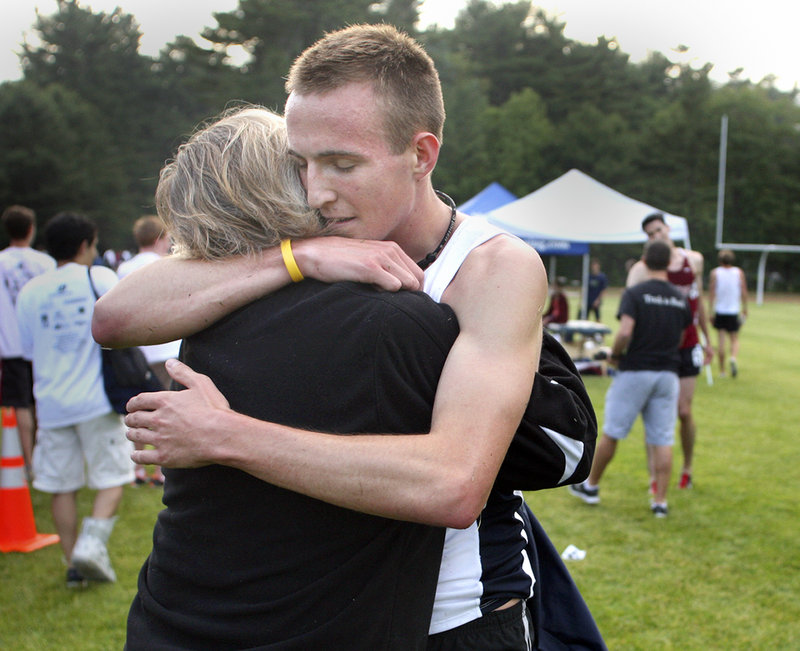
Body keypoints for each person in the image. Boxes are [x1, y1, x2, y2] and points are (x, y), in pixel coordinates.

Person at [96, 25, 602, 649]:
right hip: (340, 610)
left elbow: (453, 486)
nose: (315, 190)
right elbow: (115, 318)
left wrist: (224, 435)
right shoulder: (314, 227)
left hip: (457, 614)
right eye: (300, 163)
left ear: (421, 154)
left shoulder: (492, 269)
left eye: (343, 164)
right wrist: (299, 256)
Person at [124, 106, 462, 649]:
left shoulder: (199, 314)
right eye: (309, 164)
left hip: (171, 619)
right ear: (294, 186)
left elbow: (112, 318)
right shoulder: (400, 324)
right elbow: (541, 450)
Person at [15, 211, 134, 588]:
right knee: (113, 477)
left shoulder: (31, 290)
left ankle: (72, 566)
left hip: (50, 402)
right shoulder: (99, 277)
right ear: (85, 245)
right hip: (96, 400)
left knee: (62, 485)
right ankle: (91, 544)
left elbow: (28, 348)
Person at [570, 240, 691, 517]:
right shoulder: (678, 297)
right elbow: (683, 336)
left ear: (645, 262)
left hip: (635, 370)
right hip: (668, 373)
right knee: (662, 438)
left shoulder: (635, 293)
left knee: (613, 432)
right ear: (669, 264)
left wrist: (614, 354)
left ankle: (591, 486)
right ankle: (659, 501)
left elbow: (625, 331)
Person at [626, 212, 712, 491]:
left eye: (658, 230)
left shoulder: (693, 260)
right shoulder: (642, 269)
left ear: (668, 228)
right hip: (658, 349)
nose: (655, 237)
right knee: (654, 415)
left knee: (684, 411)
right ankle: (655, 476)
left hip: (687, 345)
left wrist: (708, 339)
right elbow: (630, 307)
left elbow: (700, 302)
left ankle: (687, 468)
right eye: (649, 234)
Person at [116, 215, 181, 485]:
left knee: (140, 411)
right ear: (159, 238)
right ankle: (162, 470)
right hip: (165, 348)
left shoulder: (123, 268)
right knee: (168, 410)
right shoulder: (167, 265)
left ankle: (139, 468)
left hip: (137, 351)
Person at [0, 205, 55, 476]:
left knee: (20, 404)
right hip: (43, 344)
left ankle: (30, 460)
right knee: (42, 402)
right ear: (31, 230)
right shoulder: (45, 263)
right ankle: (46, 455)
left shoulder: (1, 261)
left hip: (11, 346)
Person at [708, 249, 748, 377]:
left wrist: (710, 311)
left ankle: (722, 371)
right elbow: (743, 291)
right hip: (733, 310)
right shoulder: (738, 272)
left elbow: (712, 293)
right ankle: (733, 358)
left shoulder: (715, 273)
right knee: (734, 339)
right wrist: (745, 307)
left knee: (721, 341)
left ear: (720, 260)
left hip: (720, 310)